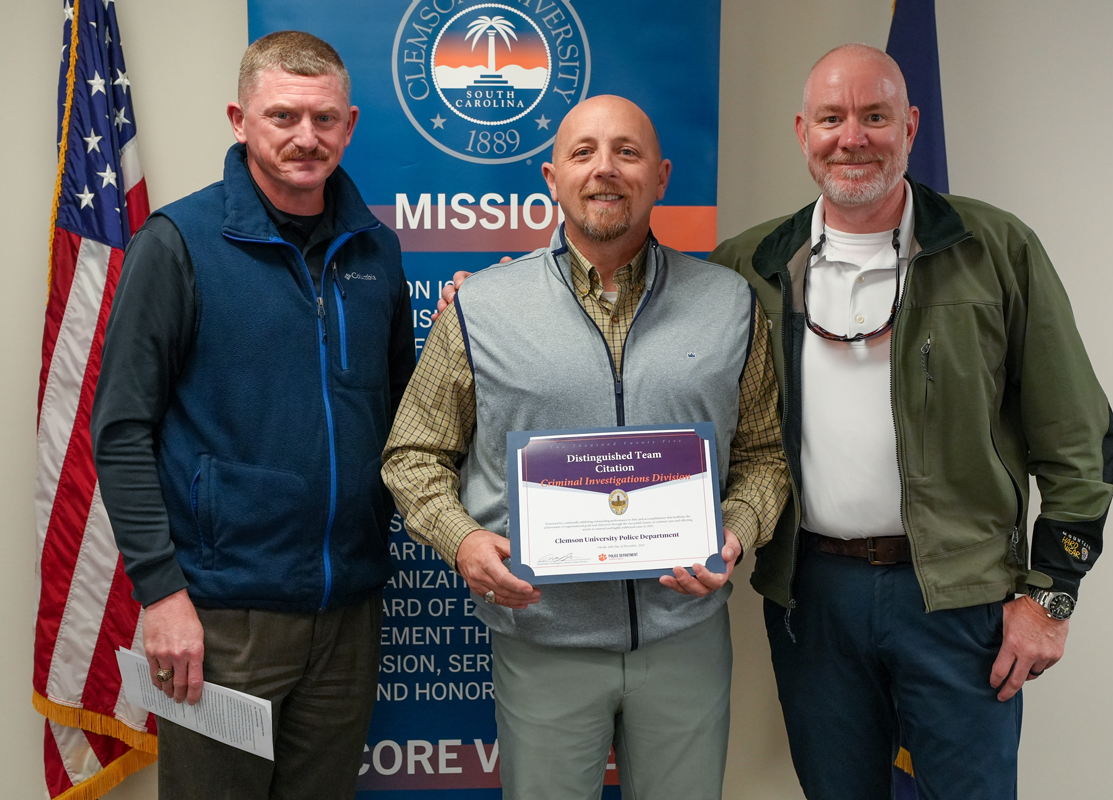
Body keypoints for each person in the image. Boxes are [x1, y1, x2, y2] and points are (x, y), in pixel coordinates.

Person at [707, 43, 1113, 799]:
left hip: (959, 600)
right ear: (803, 131)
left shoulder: (995, 249)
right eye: (832, 118)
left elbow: (1078, 439)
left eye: (875, 117)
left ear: (911, 125)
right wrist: (519, 284)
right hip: (812, 598)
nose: (852, 138)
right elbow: (650, 348)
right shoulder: (750, 264)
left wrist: (1051, 597)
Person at [382, 94, 789, 800]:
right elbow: (412, 453)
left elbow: (765, 455)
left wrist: (735, 530)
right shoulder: (482, 308)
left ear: (661, 176)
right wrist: (464, 543)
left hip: (684, 640)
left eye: (627, 152)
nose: (606, 169)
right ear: (551, 176)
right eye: (583, 153)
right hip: (542, 642)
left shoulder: (730, 304)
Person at [91, 31, 415, 800]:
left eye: (325, 119)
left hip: (347, 614)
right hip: (219, 617)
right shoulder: (178, 244)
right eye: (283, 117)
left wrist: (484, 320)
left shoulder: (378, 251)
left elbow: (408, 419)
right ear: (241, 119)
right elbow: (121, 430)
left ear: (350, 123)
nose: (307, 138)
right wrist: (162, 594)